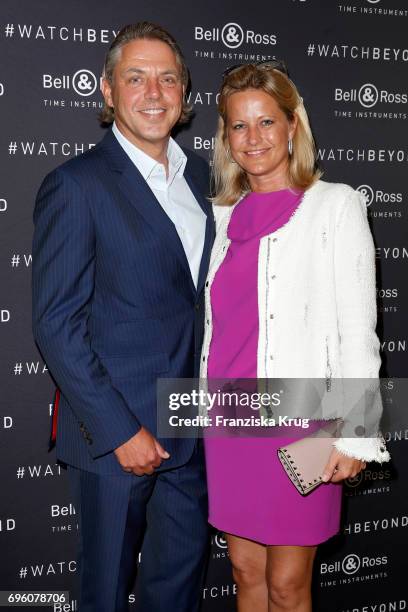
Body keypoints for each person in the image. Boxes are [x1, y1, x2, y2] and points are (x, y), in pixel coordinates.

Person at [32, 22, 214, 612]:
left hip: (193, 427)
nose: (153, 93)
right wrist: (119, 431)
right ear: (109, 92)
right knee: (105, 591)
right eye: (136, 78)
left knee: (177, 590)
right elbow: (56, 324)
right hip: (116, 437)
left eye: (167, 78)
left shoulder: (204, 180)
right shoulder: (76, 185)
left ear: (184, 93)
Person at [200, 61, 390, 612]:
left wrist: (355, 432)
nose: (253, 138)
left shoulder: (335, 205)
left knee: (287, 585)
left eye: (266, 122)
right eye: (239, 126)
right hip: (230, 418)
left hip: (304, 421)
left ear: (292, 127)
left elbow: (359, 328)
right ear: (226, 138)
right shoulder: (222, 217)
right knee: (244, 572)